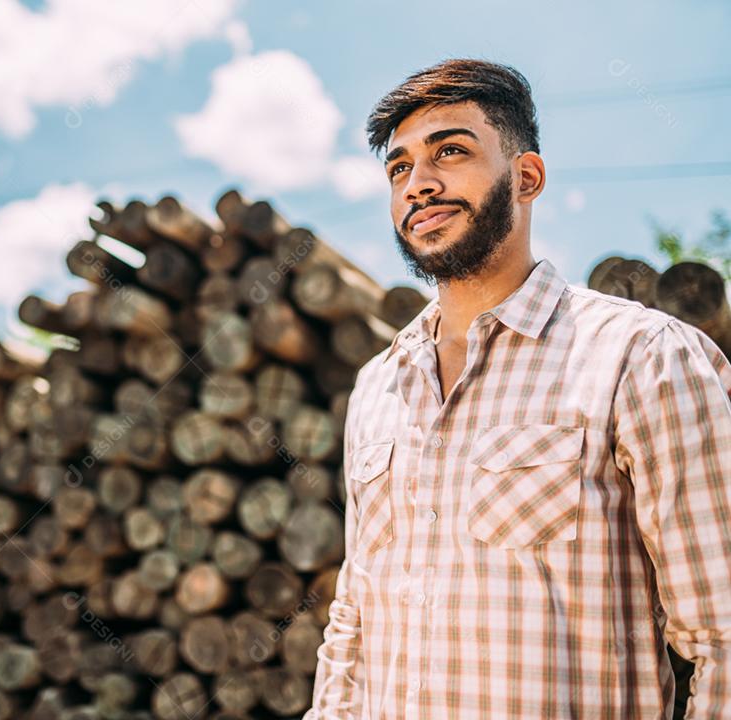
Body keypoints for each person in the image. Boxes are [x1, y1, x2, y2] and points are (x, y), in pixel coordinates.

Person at [305, 58, 731, 718]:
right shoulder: (377, 388)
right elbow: (354, 625)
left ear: (526, 177)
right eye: (399, 168)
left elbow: (722, 636)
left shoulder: (641, 357)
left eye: (451, 151)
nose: (419, 184)